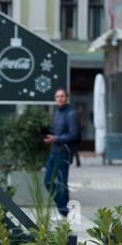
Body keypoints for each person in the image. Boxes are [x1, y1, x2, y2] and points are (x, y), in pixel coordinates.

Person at [43, 87, 80, 219]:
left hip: (64, 152)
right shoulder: (57, 113)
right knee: (47, 181)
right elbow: (57, 131)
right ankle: (63, 207)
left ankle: (64, 212)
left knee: (61, 183)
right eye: (57, 96)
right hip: (54, 151)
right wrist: (48, 135)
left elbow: (74, 135)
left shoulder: (71, 113)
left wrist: (56, 138)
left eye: (62, 96)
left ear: (67, 97)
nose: (60, 98)